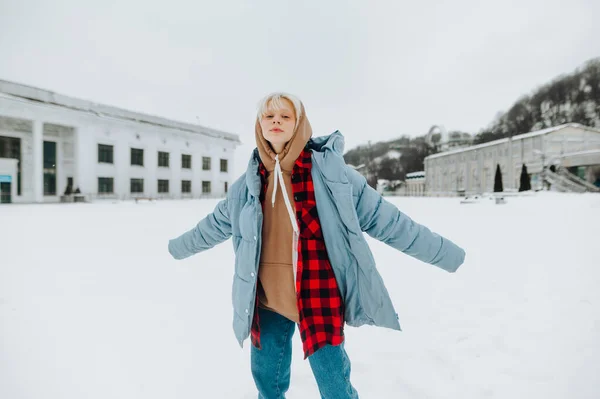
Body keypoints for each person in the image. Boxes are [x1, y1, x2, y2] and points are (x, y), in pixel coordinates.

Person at [168, 93, 466, 398]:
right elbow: (213, 225)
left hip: (317, 294)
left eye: (285, 116)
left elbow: (388, 220)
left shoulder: (331, 174)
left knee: (335, 387)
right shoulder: (247, 185)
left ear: (299, 124)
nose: (276, 122)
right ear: (260, 124)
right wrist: (177, 248)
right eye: (269, 116)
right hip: (266, 297)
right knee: (267, 384)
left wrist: (446, 254)